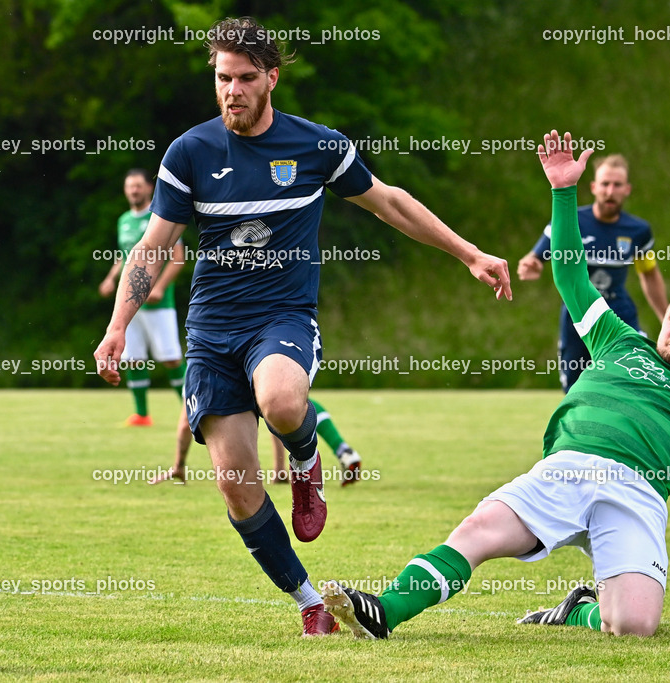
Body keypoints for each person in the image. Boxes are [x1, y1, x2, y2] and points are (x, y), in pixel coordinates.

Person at [320, 131, 670, 640]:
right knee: (480, 527)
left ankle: (578, 609)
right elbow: (571, 276)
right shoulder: (621, 341)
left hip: (637, 495)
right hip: (567, 467)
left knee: (632, 627)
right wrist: (563, 192)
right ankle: (385, 611)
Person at [93, 16, 511, 637]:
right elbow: (154, 246)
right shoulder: (190, 152)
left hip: (282, 317)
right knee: (237, 487)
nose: (230, 90)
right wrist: (117, 326)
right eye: (221, 78)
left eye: (243, 78)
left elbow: (390, 201)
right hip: (211, 329)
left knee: (283, 399)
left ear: (271, 79)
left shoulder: (316, 146)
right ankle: (311, 602)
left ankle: (308, 460)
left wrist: (469, 253)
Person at [516, 155, 670, 494]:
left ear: (627, 190)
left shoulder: (638, 231)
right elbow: (536, 257)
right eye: (604, 183)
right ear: (593, 187)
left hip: (621, 318)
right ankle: (573, 472)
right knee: (578, 395)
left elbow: (648, 273)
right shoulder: (568, 220)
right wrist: (530, 265)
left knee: (656, 384)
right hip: (579, 323)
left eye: (617, 184)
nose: (610, 190)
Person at [98, 168, 188, 426]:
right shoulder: (124, 219)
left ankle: (191, 412)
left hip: (158, 304)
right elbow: (125, 256)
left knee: (170, 357)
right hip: (128, 304)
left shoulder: (160, 217)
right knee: (133, 358)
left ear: (149, 188)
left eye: (138, 185)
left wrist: (158, 287)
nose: (133, 190)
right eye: (129, 186)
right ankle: (142, 414)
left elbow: (178, 258)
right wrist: (110, 278)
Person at [148, 397, 361, 486]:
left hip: (231, 348)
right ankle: (342, 449)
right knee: (280, 403)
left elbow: (186, 423)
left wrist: (178, 465)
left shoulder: (203, 356)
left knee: (281, 403)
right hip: (281, 332)